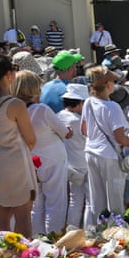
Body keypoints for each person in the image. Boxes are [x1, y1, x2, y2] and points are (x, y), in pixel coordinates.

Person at [14, 71, 70, 235]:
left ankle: (37, 240)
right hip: (53, 160)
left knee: (36, 206)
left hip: (31, 161)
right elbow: (64, 132)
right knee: (56, 203)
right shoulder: (41, 109)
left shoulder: (14, 111)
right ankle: (53, 241)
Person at [82, 65, 129, 226]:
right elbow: (120, 137)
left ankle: (98, 231)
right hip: (109, 155)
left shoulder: (88, 102)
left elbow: (83, 130)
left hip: (91, 151)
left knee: (96, 198)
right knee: (115, 198)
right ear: (108, 85)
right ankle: (117, 233)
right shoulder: (113, 107)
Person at [0, 54, 36, 234]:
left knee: (1, 213)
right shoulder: (15, 104)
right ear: (9, 75)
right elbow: (31, 140)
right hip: (17, 165)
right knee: (23, 215)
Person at [57, 83, 89, 227]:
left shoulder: (59, 115)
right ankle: (84, 229)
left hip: (68, 164)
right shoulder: (77, 120)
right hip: (82, 165)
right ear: (80, 102)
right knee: (87, 201)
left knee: (74, 200)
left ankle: (71, 229)